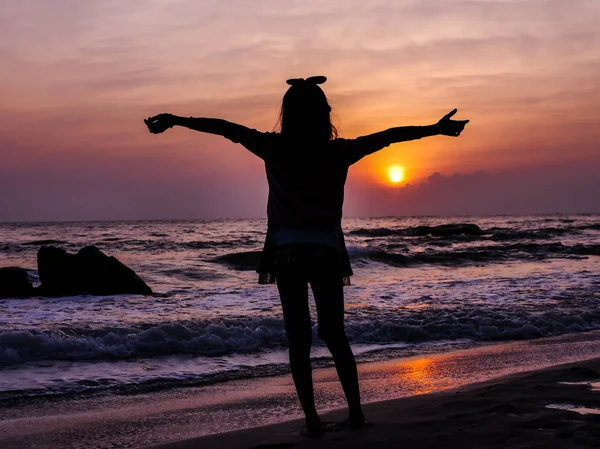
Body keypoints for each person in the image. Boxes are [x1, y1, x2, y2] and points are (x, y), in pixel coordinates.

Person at [144, 76, 469, 437]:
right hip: (327, 251)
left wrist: (175, 119)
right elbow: (389, 135)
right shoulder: (338, 151)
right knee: (335, 334)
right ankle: (356, 415)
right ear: (322, 113)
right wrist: (434, 129)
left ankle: (313, 422)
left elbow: (224, 128)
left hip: (287, 252)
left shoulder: (273, 147)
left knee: (298, 338)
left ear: (288, 114)